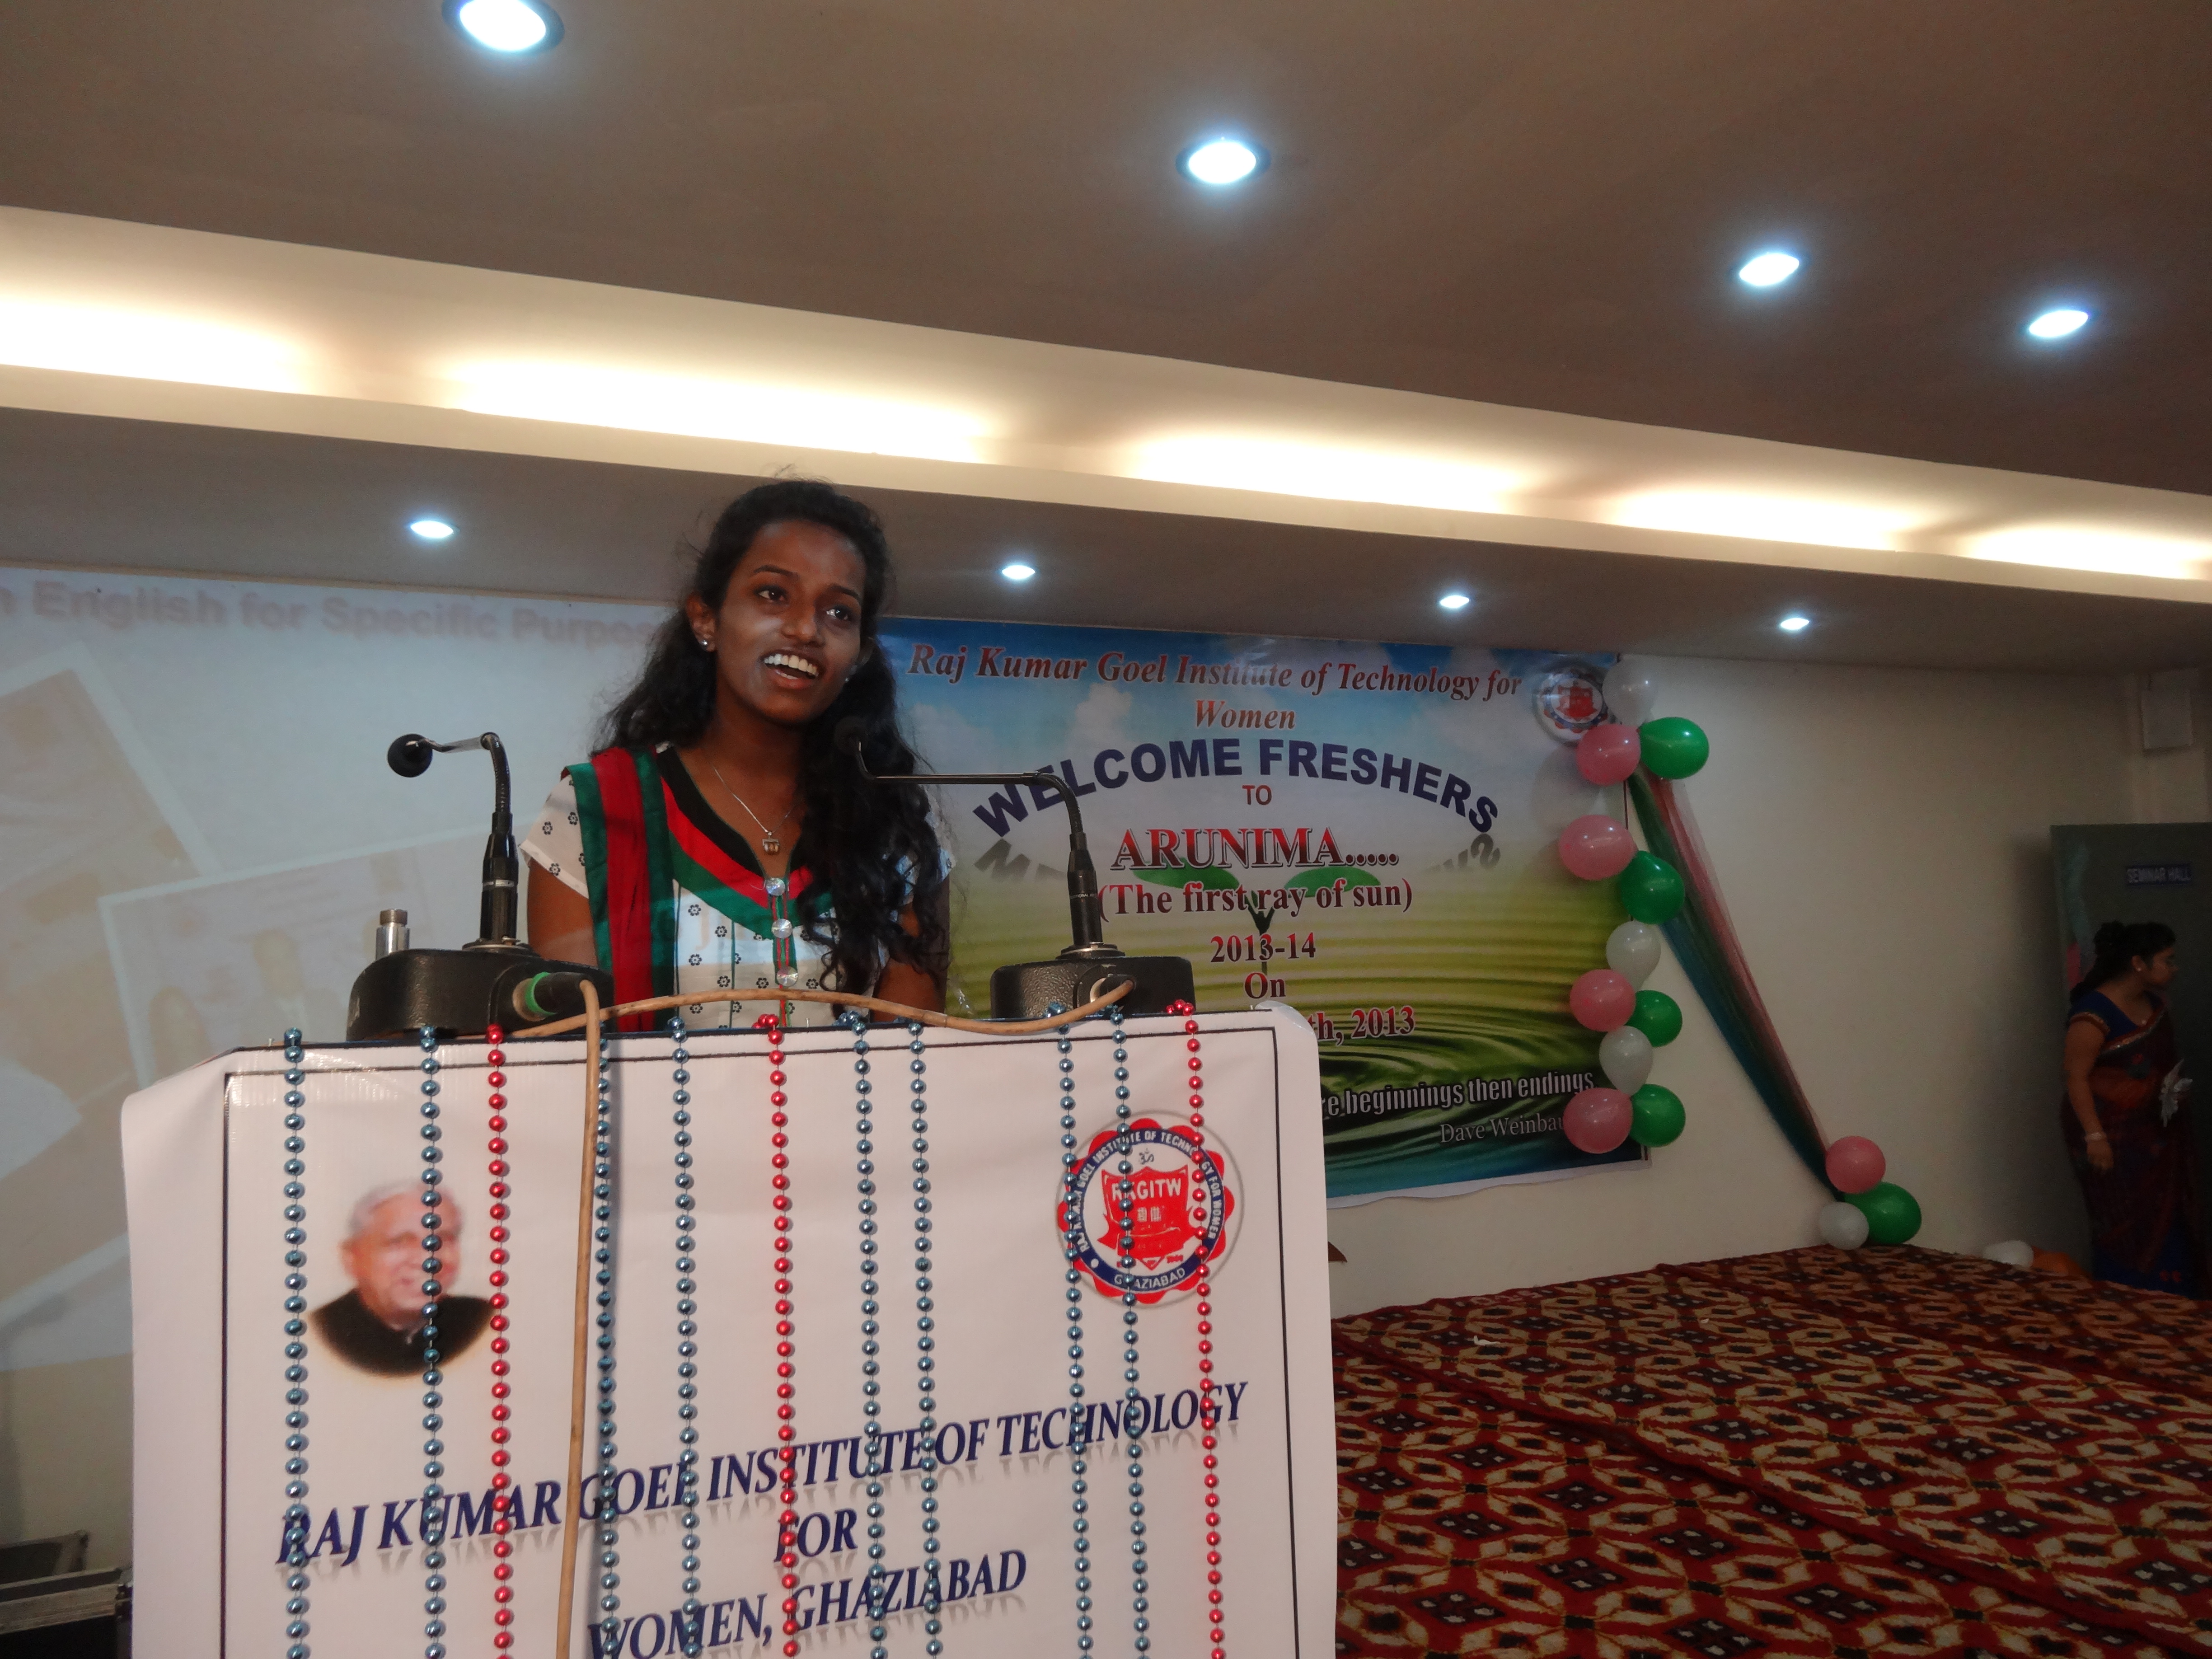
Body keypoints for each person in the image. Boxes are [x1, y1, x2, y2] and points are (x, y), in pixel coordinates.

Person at [523, 480, 948, 1030]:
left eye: (839, 613)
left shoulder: (897, 826)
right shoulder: (591, 811)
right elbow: (570, 1051)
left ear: (859, 656)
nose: (805, 629)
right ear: (706, 619)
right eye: (773, 594)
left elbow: (910, 1059)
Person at [2061, 919, 2203, 1295]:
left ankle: (2176, 1298)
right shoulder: (2094, 1012)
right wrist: (2096, 1137)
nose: (2174, 968)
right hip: (2109, 1134)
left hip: (2156, 1134)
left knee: (2167, 1213)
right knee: (2121, 1223)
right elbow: (2076, 1077)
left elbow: (2160, 1068)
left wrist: (2170, 1095)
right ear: (2139, 963)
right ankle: (2123, 1298)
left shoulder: (2154, 1006)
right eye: (2167, 960)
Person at [311, 1182, 491, 1376]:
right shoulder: (320, 1331)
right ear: (352, 1258)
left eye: (442, 1240)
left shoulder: (482, 1320)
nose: (427, 1260)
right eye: (401, 1242)